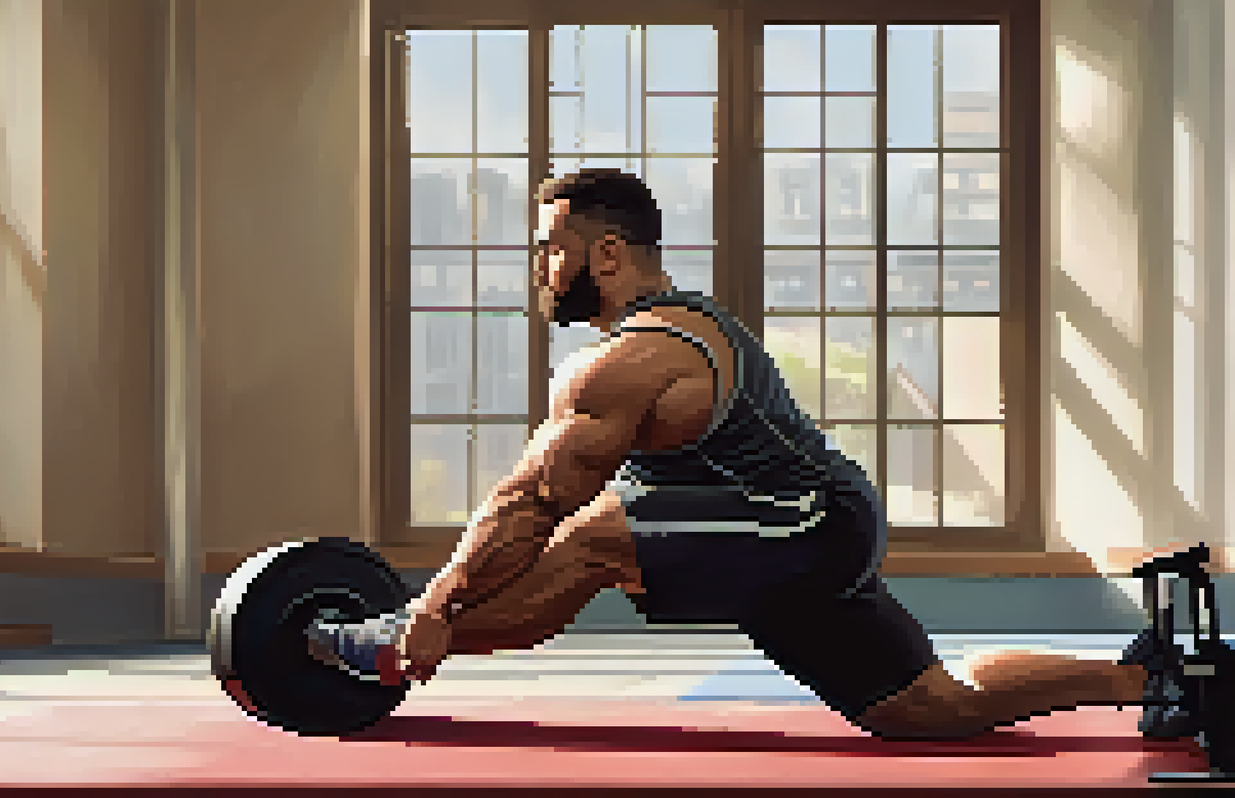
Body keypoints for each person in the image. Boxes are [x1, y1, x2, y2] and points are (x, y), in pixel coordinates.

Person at [311, 167, 1173, 739]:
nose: (537, 264)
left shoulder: (640, 357)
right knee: (928, 707)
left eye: (549, 246)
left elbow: (537, 498)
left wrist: (429, 611)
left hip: (802, 525)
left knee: (596, 538)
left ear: (604, 253)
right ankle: (1152, 679)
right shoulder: (640, 341)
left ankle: (391, 643)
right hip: (784, 532)